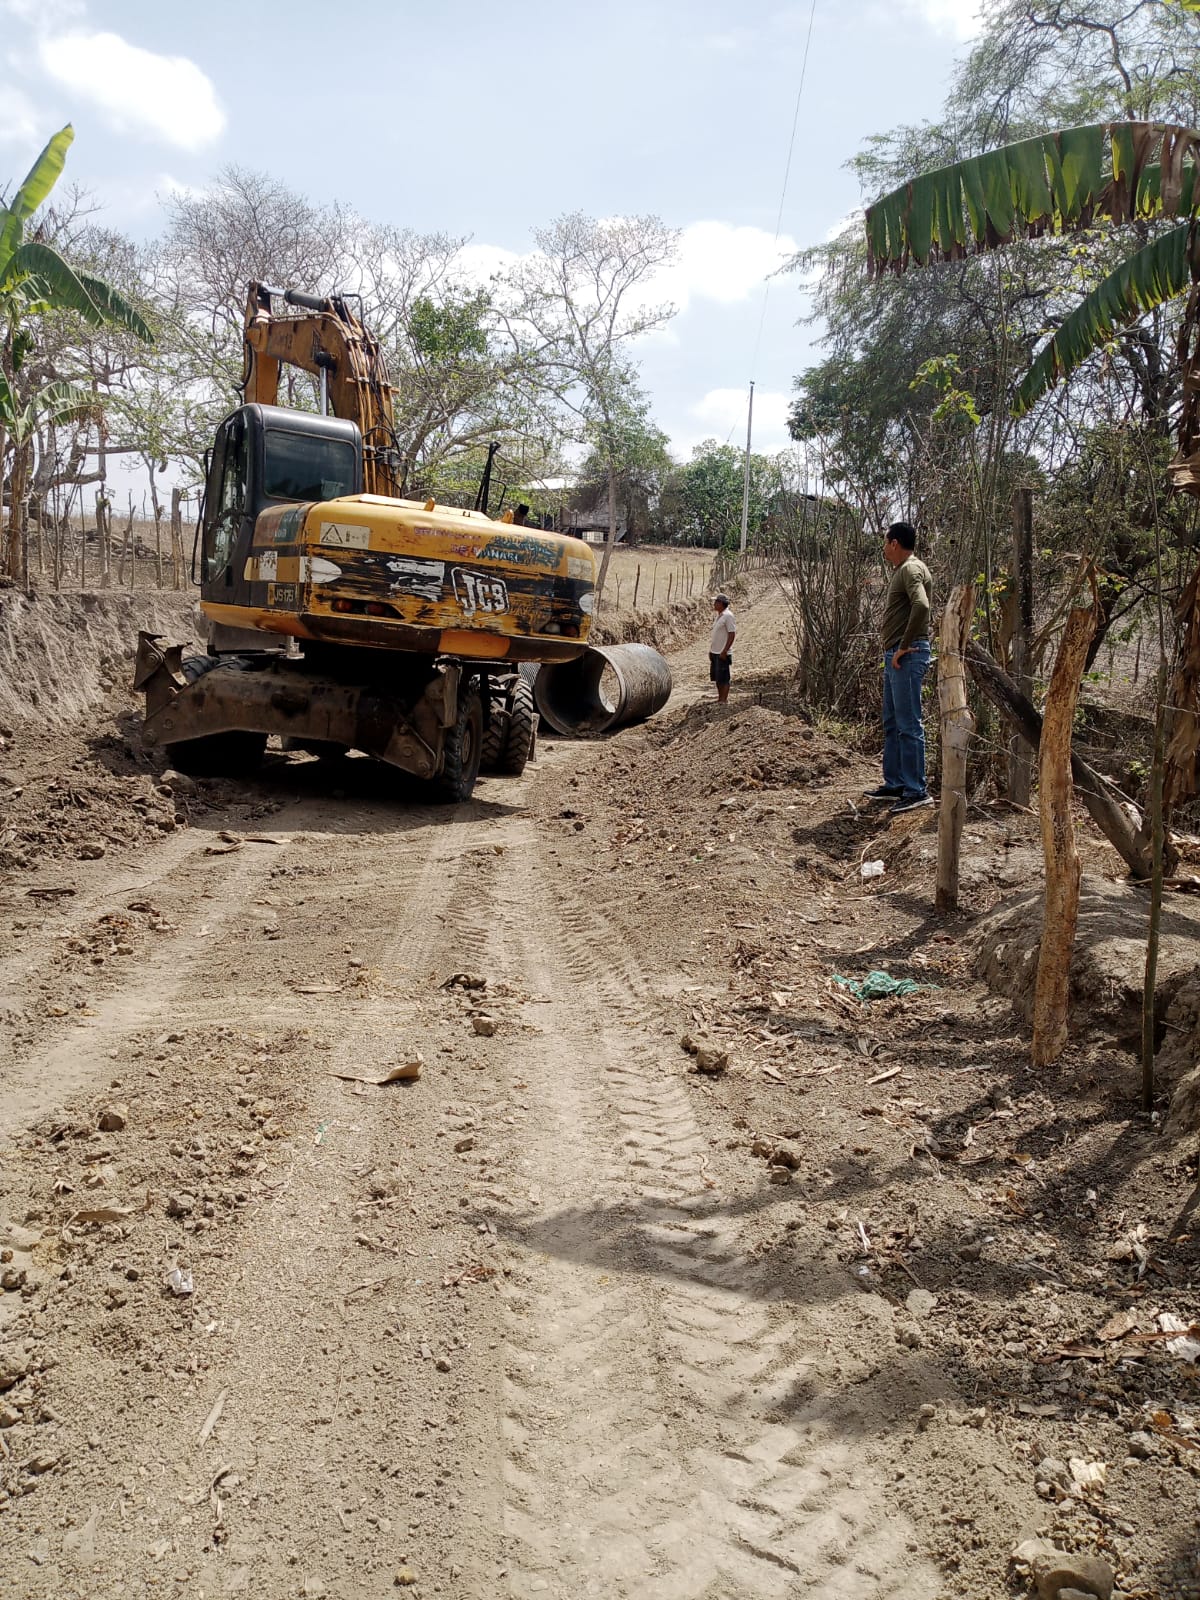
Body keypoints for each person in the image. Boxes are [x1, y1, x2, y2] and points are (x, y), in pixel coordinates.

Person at [864, 521, 933, 815]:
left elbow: (922, 605)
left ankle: (916, 791)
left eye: (885, 542)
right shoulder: (903, 569)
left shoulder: (911, 568)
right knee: (892, 722)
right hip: (895, 656)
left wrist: (904, 646)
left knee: (908, 725)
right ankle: (895, 784)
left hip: (906, 655)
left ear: (894, 543)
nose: (883, 548)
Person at [709, 594, 736, 704]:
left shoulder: (728, 616)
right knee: (718, 677)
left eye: (716, 602)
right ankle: (720, 698)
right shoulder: (719, 616)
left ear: (720, 603)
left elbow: (732, 634)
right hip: (715, 652)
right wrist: (711, 651)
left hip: (722, 652)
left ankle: (723, 700)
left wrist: (725, 651)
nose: (714, 604)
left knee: (724, 678)